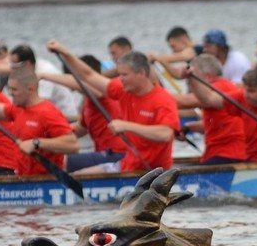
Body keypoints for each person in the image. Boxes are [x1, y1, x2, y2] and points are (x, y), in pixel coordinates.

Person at [49, 42, 180, 172]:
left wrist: (127, 126)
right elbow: (89, 75)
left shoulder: (163, 99)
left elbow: (165, 134)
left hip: (156, 172)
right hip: (128, 165)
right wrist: (64, 51)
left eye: (124, 75)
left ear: (141, 73)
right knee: (78, 179)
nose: (120, 79)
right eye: (119, 74)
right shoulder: (123, 90)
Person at [36, 54, 129, 171]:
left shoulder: (102, 93)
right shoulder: (88, 101)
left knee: (62, 162)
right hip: (103, 154)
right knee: (53, 158)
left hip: (117, 155)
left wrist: (44, 75)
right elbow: (80, 129)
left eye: (71, 76)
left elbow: (84, 85)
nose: (68, 78)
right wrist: (47, 137)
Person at [173, 54, 248, 165]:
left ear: (207, 76)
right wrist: (189, 127)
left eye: (193, 78)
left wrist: (150, 93)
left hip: (227, 154)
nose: (190, 84)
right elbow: (219, 123)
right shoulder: (228, 85)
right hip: (233, 152)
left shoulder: (218, 88)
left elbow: (184, 102)